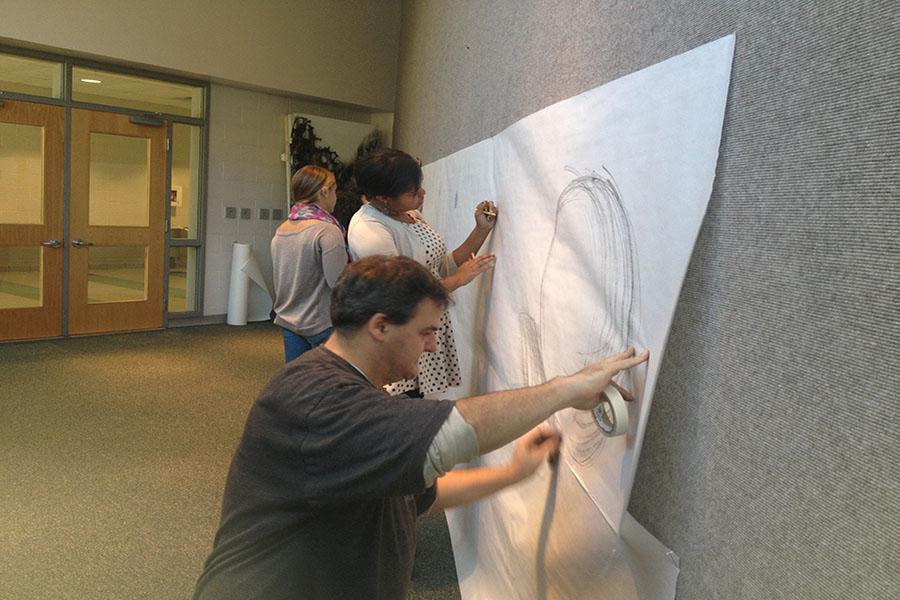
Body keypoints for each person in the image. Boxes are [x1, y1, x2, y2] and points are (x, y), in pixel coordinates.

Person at [192, 255, 649, 600]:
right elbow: (449, 434)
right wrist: (568, 389)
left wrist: (513, 473)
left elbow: (418, 497)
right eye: (426, 331)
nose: (432, 347)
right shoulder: (315, 400)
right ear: (380, 327)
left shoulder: (357, 392)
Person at [349, 148, 497, 397]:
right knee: (403, 407)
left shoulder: (410, 214)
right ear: (384, 197)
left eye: (420, 185)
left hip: (421, 322)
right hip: (397, 331)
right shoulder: (370, 231)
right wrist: (459, 279)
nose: (422, 194)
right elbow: (400, 293)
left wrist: (480, 230)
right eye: (413, 191)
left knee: (420, 403)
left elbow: (439, 265)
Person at [270, 165, 348, 362]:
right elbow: (338, 283)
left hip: (289, 321)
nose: (336, 196)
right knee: (331, 384)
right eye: (335, 190)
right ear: (324, 192)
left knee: (300, 383)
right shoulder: (327, 231)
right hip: (323, 324)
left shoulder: (282, 230)